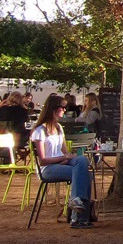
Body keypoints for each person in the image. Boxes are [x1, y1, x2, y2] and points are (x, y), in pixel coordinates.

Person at [30, 93, 94, 229]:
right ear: (54, 109)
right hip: (47, 169)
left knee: (82, 160)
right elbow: (43, 160)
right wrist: (64, 158)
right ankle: (79, 217)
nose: (65, 110)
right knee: (85, 175)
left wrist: (67, 157)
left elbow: (65, 151)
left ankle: (76, 204)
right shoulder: (40, 131)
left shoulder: (59, 128)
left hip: (61, 163)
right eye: (62, 108)